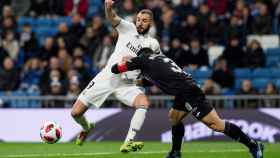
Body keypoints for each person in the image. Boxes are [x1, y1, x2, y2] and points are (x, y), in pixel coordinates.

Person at [111, 48, 264, 158]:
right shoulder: (160, 60)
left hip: (189, 92)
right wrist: (133, 81)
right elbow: (151, 81)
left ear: (142, 57)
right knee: (174, 117)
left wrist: (126, 62)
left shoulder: (142, 60)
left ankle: (253, 145)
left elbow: (115, 69)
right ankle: (175, 153)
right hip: (184, 90)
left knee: (216, 125)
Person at [70, 0, 160, 153]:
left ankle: (128, 142)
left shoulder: (153, 44)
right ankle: (86, 127)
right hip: (108, 77)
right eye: (138, 19)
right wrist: (108, 7)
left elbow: (155, 69)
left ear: (151, 23)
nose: (140, 23)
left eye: (144, 20)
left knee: (143, 102)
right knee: (76, 113)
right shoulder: (128, 28)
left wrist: (141, 79)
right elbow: (112, 18)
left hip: (128, 84)